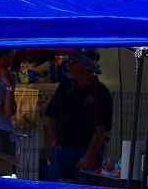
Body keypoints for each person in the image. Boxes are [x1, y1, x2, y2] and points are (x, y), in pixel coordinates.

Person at [45, 49, 113, 181]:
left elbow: (101, 127)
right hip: (61, 150)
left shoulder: (101, 92)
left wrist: (90, 154)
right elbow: (51, 115)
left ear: (85, 65)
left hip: (84, 151)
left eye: (72, 61)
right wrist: (55, 142)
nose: (68, 65)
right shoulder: (65, 87)